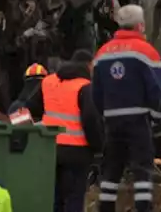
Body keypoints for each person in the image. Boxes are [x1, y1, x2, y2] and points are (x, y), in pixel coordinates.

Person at [93, 4, 161, 212]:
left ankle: (105, 208)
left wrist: (104, 115)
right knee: (142, 171)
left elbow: (95, 93)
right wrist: (156, 117)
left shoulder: (102, 53)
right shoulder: (146, 51)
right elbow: (157, 90)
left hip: (112, 123)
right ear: (140, 25)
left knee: (111, 171)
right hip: (138, 120)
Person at [30, 49, 105, 212]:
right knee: (74, 199)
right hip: (77, 153)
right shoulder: (85, 87)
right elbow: (91, 121)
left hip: (49, 149)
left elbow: (31, 109)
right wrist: (99, 147)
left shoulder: (48, 82)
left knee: (55, 199)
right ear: (88, 65)